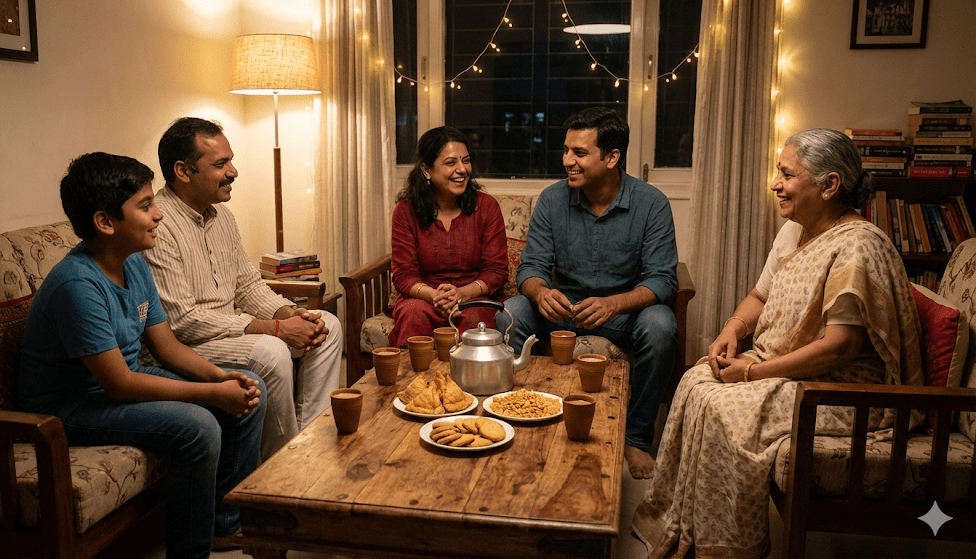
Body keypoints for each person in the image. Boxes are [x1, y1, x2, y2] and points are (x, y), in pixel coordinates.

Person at [631, 129, 924, 558]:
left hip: (842, 386)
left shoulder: (858, 245)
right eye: (777, 172)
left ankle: (729, 547)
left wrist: (751, 372)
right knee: (695, 380)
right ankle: (684, 526)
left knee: (723, 407)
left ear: (829, 185)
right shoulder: (794, 232)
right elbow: (759, 297)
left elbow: (839, 348)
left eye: (787, 175)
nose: (775, 184)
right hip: (791, 367)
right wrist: (731, 330)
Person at [16, 152, 266, 558]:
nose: (159, 215)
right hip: (68, 408)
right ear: (106, 222)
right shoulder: (77, 285)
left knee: (250, 390)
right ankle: (190, 551)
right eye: (146, 206)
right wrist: (211, 395)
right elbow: (120, 384)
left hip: (115, 387)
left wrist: (220, 378)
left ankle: (224, 524)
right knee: (198, 426)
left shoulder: (133, 264)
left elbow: (166, 347)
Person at [142, 117, 342, 460]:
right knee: (272, 351)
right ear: (183, 171)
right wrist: (274, 329)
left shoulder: (222, 217)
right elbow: (181, 323)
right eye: (220, 164)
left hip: (229, 334)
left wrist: (289, 313)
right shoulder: (157, 226)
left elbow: (248, 286)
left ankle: (314, 443)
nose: (233, 171)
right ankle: (285, 466)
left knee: (328, 325)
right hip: (186, 347)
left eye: (230, 160)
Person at [497, 107, 679, 480]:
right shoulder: (551, 200)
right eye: (566, 151)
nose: (567, 161)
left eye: (579, 153)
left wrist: (616, 303)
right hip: (561, 312)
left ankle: (636, 439)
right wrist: (540, 291)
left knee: (661, 324)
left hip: (621, 315)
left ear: (612, 158)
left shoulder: (652, 203)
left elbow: (663, 279)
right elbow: (529, 268)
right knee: (512, 310)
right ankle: (519, 410)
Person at [389, 126, 509, 346]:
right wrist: (435, 296)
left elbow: (496, 271)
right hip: (424, 299)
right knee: (413, 315)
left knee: (477, 320)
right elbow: (403, 274)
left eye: (466, 160)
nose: (462, 169)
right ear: (426, 170)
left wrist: (461, 294)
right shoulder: (406, 211)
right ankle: (414, 381)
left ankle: (470, 380)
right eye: (451, 162)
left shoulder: (487, 207)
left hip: (473, 298)